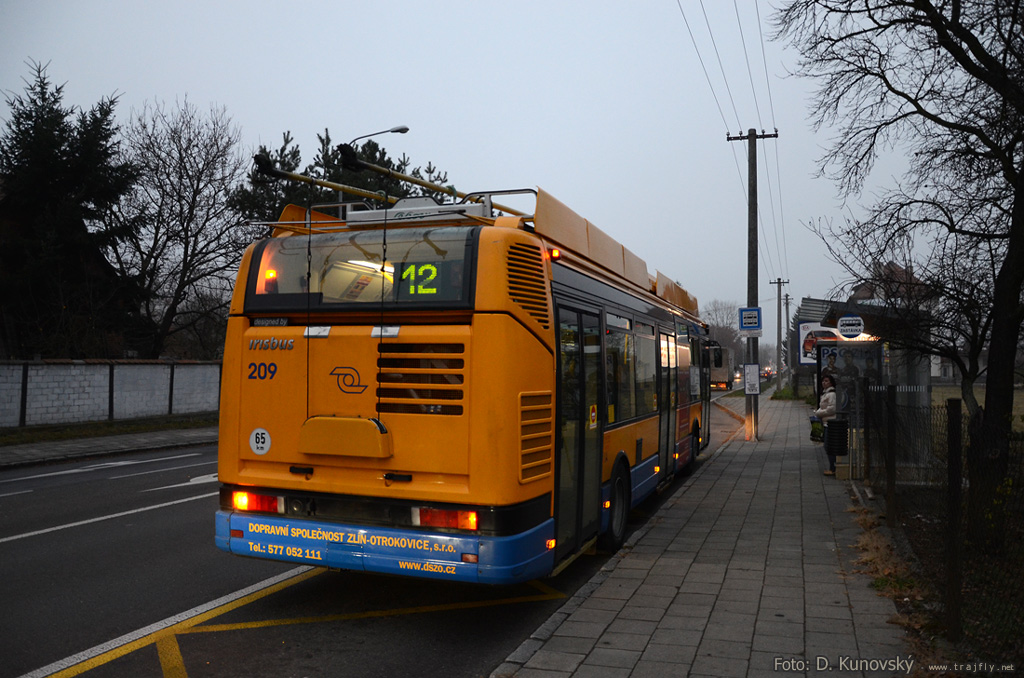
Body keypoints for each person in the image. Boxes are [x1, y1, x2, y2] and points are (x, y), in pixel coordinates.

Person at [812, 374, 838, 475]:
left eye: (826, 381)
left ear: (831, 382)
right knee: (827, 445)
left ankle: (833, 468)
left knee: (829, 446)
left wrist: (819, 413)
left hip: (830, 423)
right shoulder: (825, 393)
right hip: (826, 423)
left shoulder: (831, 394)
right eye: (823, 381)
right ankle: (832, 467)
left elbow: (832, 409)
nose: (824, 383)